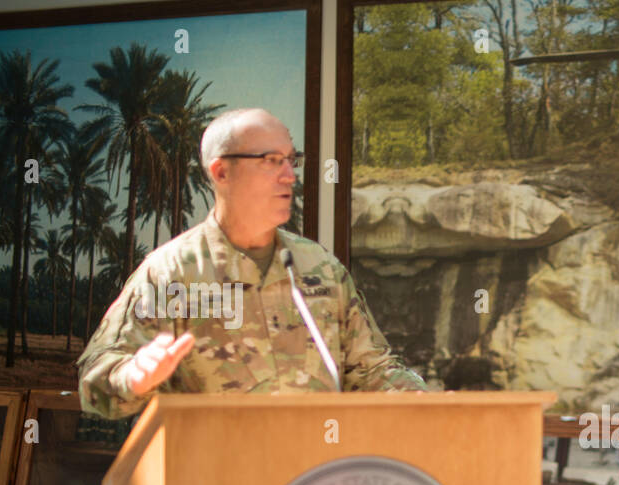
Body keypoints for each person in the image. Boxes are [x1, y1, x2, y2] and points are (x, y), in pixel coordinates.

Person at [78, 107, 425, 419]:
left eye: (292, 160)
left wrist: (432, 405)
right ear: (221, 172)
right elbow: (96, 385)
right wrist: (134, 377)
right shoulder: (171, 272)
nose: (290, 175)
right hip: (216, 482)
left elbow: (371, 370)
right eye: (272, 160)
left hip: (315, 481)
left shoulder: (320, 267)